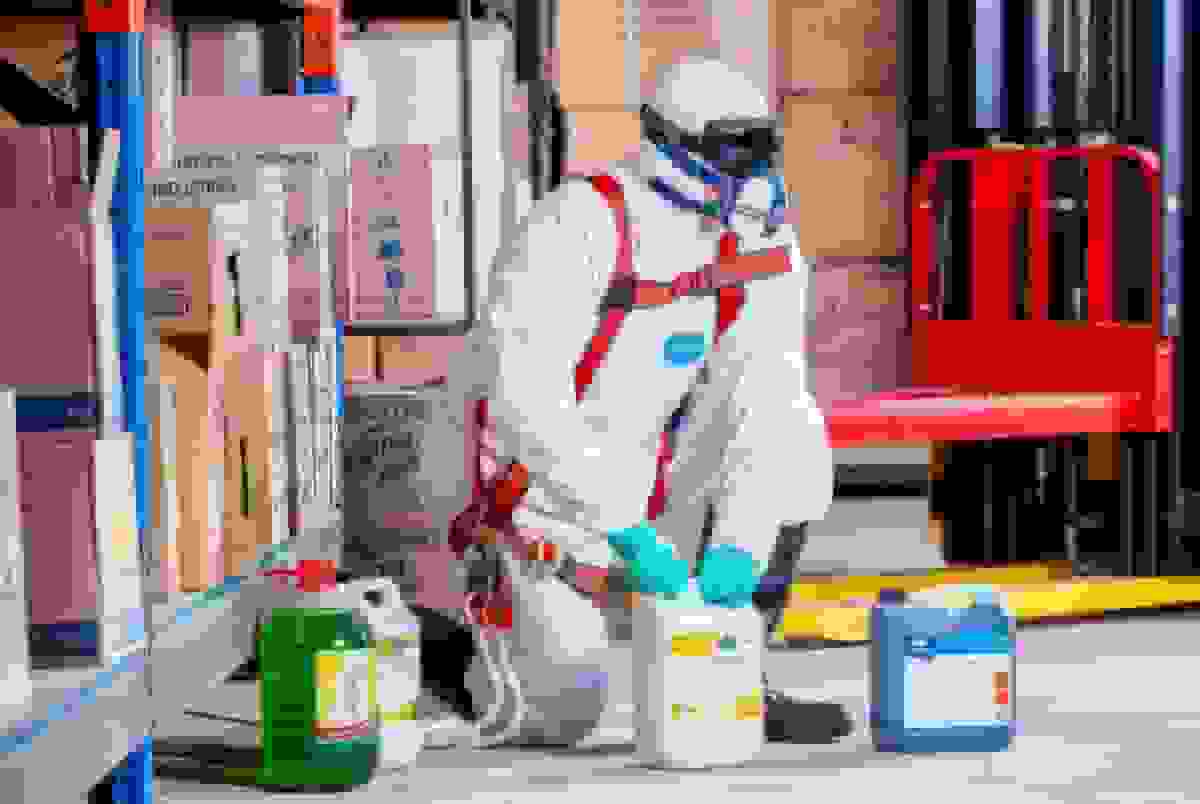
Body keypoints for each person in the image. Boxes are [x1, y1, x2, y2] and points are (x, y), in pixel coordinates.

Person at [411, 54, 851, 747]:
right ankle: (444, 642)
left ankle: (736, 673)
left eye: (763, 149)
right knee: (568, 710)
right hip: (524, 490)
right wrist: (624, 528)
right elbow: (523, 403)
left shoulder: (763, 245)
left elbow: (767, 395)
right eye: (734, 151)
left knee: (796, 441)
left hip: (642, 475)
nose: (754, 172)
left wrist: (741, 538)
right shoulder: (578, 224)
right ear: (671, 145)